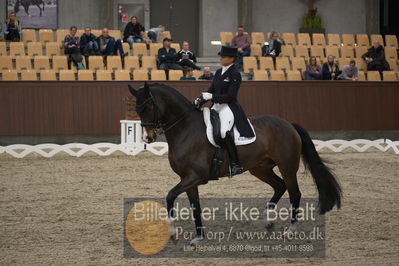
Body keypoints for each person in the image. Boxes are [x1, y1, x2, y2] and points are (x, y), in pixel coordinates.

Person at [194, 46, 255, 177]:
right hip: (216, 106)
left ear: (232, 59)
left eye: (223, 56)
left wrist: (212, 97)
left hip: (228, 107)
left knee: (223, 132)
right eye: (221, 55)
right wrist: (201, 99)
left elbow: (231, 97)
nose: (220, 58)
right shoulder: (218, 72)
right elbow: (211, 90)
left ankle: (235, 164)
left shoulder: (235, 74)